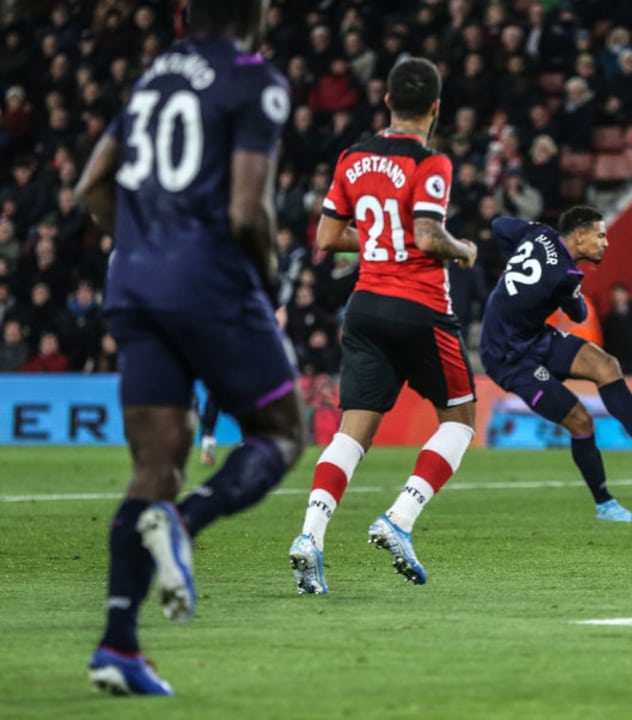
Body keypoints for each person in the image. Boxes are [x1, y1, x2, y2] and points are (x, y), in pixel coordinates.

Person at [75, 1, 306, 696]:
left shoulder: (153, 78)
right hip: (207, 282)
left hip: (133, 287)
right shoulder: (252, 78)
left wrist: (142, 246)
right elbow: (246, 209)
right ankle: (184, 523)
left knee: (154, 466)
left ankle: (118, 645)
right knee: (282, 431)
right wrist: (264, 278)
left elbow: (90, 186)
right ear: (250, 13)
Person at [288, 59, 479, 596]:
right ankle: (399, 518)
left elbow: (326, 239)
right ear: (436, 109)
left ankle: (310, 537)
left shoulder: (353, 157)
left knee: (354, 430)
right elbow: (425, 234)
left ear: (387, 100)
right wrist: (463, 250)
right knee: (460, 418)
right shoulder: (431, 161)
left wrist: (376, 239)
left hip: (365, 305)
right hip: (419, 307)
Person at [479, 206, 632, 522]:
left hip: (533, 337)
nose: (605, 243)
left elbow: (500, 224)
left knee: (606, 365)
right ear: (580, 235)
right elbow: (580, 315)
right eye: (600, 235)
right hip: (508, 357)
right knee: (581, 421)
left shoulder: (539, 234)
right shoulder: (566, 275)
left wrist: (513, 266)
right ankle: (604, 504)